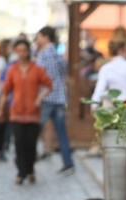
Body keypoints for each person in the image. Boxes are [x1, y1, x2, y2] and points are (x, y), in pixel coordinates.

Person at [0, 39, 52, 185]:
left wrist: (39, 98)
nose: (22, 53)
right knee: (19, 144)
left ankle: (30, 169)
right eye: (19, 50)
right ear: (16, 52)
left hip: (33, 113)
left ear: (28, 51)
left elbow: (48, 85)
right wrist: (0, 109)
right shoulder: (12, 69)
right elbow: (6, 91)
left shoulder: (37, 69)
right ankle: (21, 172)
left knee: (31, 144)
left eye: (24, 50)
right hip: (17, 112)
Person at [35, 26, 75, 175]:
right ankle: (68, 163)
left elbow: (38, 77)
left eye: (39, 36)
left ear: (45, 37)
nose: (38, 40)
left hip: (46, 97)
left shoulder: (43, 55)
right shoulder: (58, 54)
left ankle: (28, 159)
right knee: (61, 132)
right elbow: (64, 72)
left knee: (34, 130)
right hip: (59, 97)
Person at [91, 38, 126, 104]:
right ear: (121, 50)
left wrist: (94, 104)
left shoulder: (105, 68)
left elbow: (99, 89)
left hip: (111, 104)